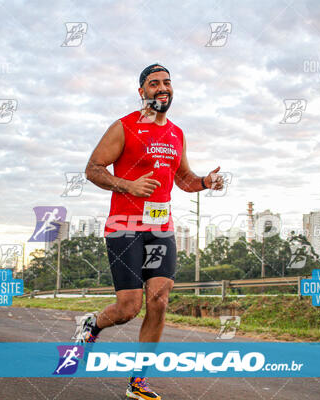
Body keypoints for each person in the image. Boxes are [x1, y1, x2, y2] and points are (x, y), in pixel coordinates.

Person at [82, 64, 224, 400]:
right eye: (154, 83)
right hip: (124, 228)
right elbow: (92, 169)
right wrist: (128, 184)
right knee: (128, 308)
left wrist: (206, 182)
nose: (162, 88)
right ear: (142, 91)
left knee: (159, 299)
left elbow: (184, 179)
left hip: (160, 228)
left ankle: (138, 381)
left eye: (167, 83)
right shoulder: (125, 127)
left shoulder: (176, 133)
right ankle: (94, 324)